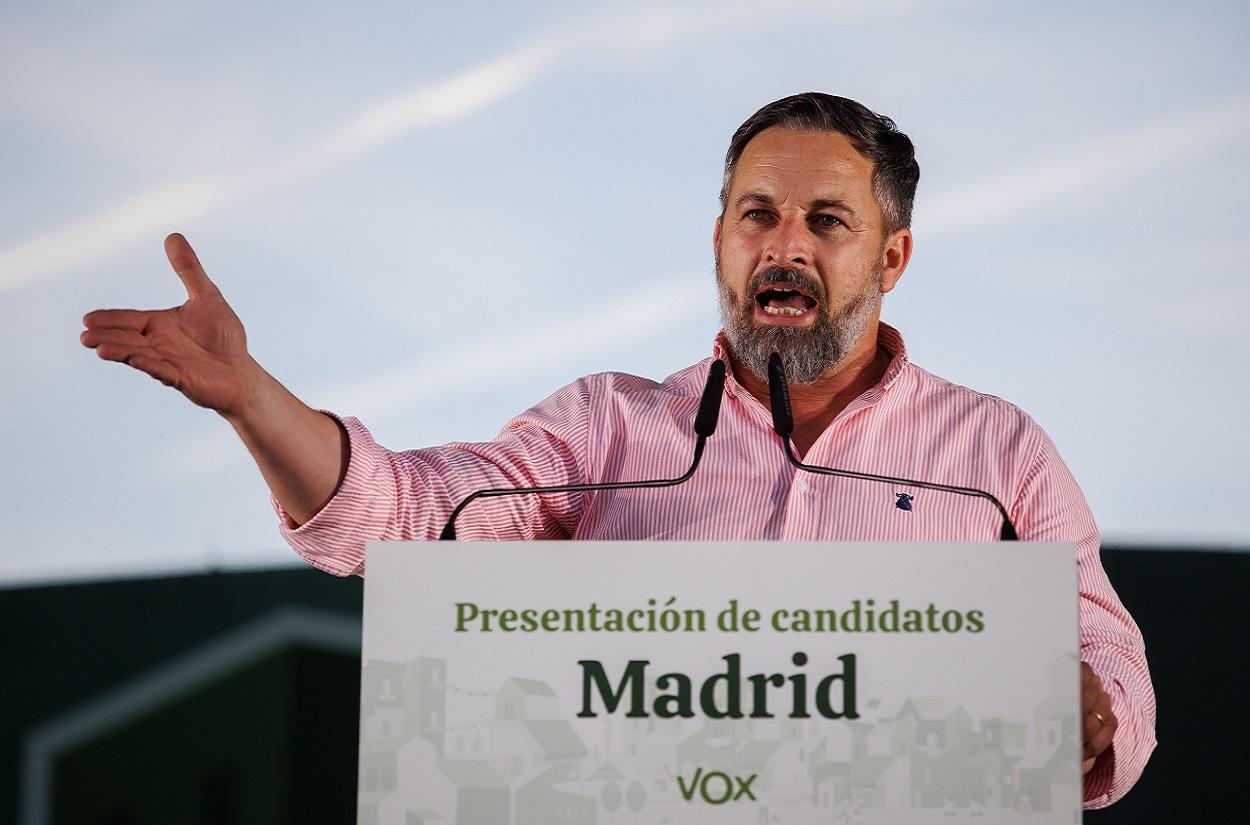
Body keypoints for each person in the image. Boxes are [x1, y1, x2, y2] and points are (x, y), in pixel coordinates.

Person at [81, 93, 1154, 807]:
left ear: (893, 255)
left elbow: (1110, 667)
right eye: (755, 215)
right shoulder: (609, 429)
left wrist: (1088, 709)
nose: (782, 246)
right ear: (719, 240)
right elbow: (405, 520)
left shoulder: (995, 451)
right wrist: (252, 399)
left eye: (825, 220)